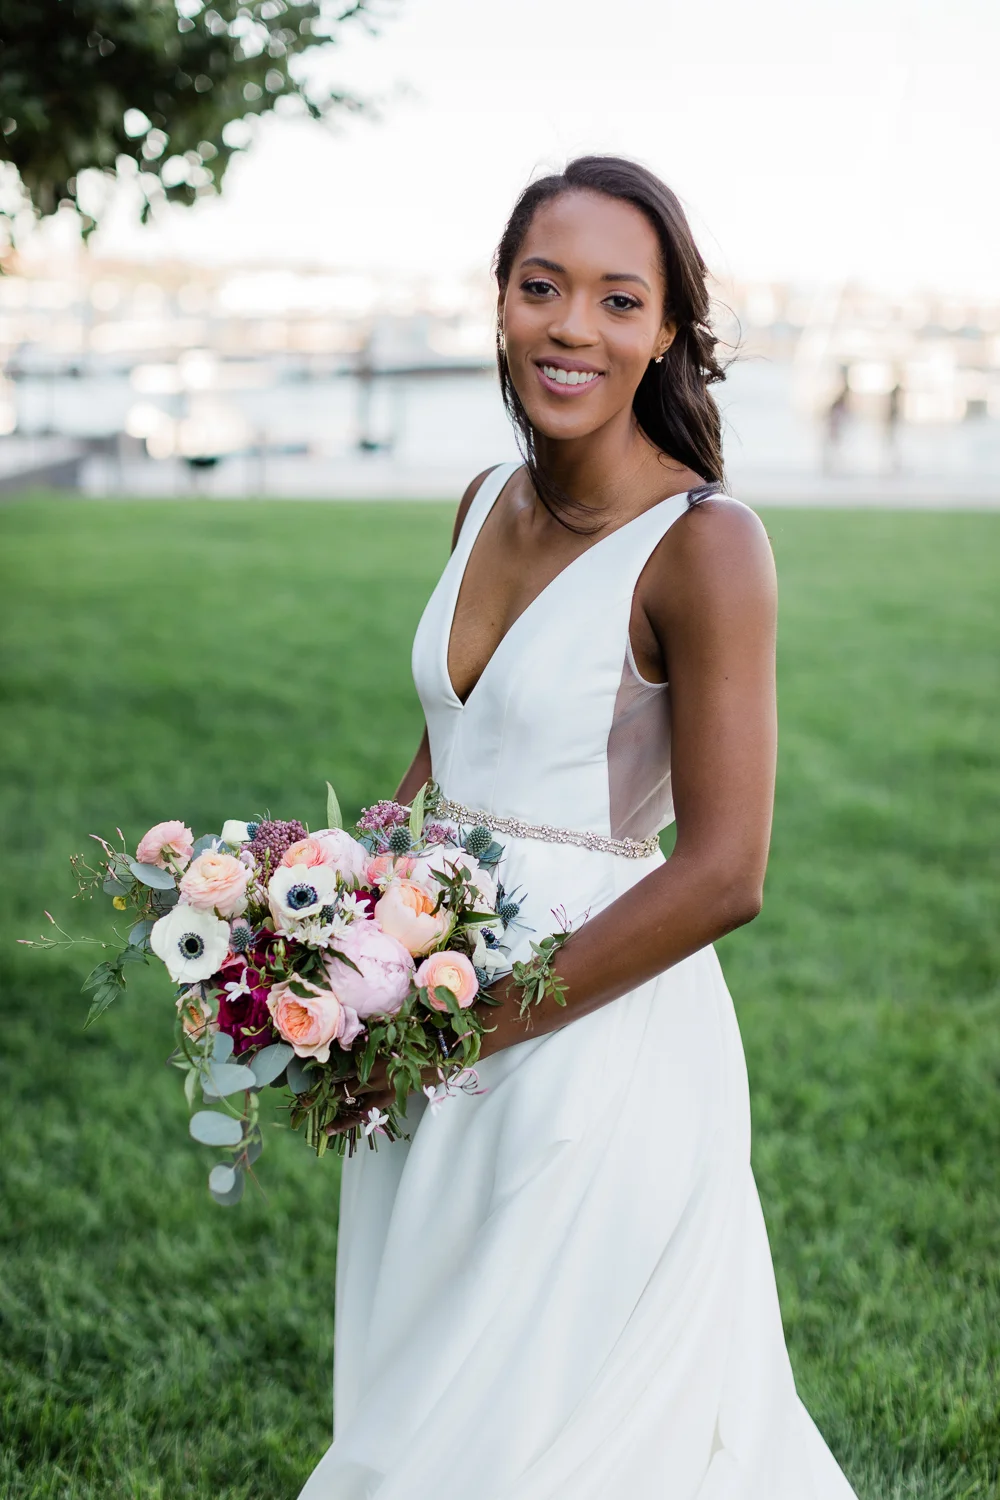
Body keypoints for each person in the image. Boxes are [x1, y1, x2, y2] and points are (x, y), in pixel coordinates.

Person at [300, 156, 858, 1500]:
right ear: (499, 302)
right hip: (426, 993)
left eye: (618, 299)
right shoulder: (482, 501)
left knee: (538, 1435)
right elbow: (447, 753)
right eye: (542, 287)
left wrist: (467, 1035)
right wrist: (329, 939)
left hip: (589, 1040)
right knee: (429, 1378)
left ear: (666, 330)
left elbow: (727, 873)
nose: (572, 326)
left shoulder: (707, 544)